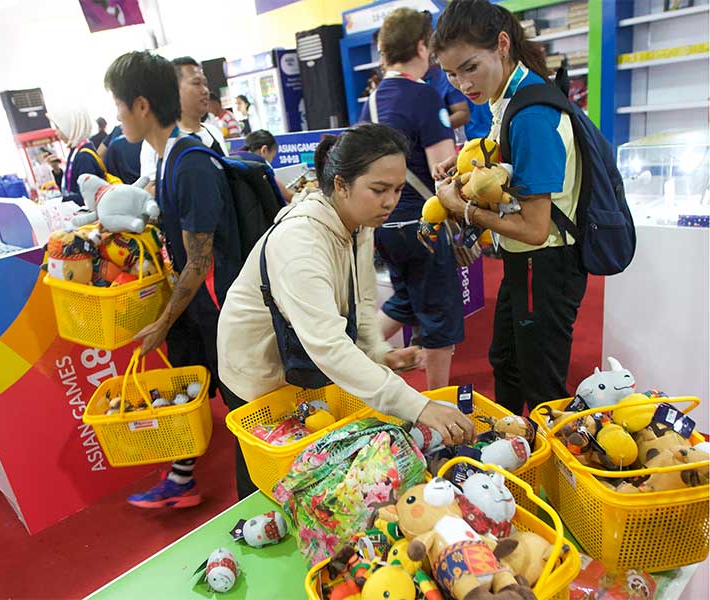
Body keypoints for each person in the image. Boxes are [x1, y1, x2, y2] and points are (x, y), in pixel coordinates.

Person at [217, 124, 475, 498]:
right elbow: (329, 346)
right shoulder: (300, 242)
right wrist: (417, 406)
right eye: (379, 189)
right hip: (256, 370)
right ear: (341, 185)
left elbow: (362, 302)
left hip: (300, 363)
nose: (390, 202)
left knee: (311, 472)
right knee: (270, 479)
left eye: (398, 189)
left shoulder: (357, 223)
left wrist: (378, 352)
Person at [431, 0, 586, 415]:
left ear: (502, 44)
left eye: (469, 67)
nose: (463, 84)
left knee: (542, 386)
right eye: (450, 73)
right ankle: (514, 450)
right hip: (526, 262)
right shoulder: (509, 95)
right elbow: (512, 167)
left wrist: (463, 210)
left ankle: (548, 474)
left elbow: (535, 228)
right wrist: (470, 157)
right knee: (507, 362)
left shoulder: (531, 113)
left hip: (546, 261)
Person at [104, 50, 243, 509]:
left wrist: (162, 322)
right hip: (198, 307)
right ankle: (183, 477)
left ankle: (264, 492)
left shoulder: (190, 164)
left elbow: (200, 262)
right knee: (195, 381)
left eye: (119, 104)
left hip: (222, 307)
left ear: (141, 105)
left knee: (243, 403)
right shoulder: (165, 160)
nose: (117, 115)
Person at [359, 7, 463, 392]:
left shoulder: (369, 103)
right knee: (439, 316)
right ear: (423, 46)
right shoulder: (423, 97)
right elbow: (443, 172)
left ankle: (361, 355)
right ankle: (436, 404)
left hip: (382, 226)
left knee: (404, 297)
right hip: (423, 224)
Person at [139, 57, 228, 182]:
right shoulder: (157, 142)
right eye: (197, 83)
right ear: (174, 90)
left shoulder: (213, 132)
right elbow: (153, 190)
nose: (205, 91)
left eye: (205, 84)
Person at [46, 108, 105, 206]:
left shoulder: (83, 157)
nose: (56, 133)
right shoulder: (76, 151)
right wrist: (57, 170)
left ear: (70, 127)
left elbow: (89, 197)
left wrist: (59, 200)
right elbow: (71, 188)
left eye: (58, 128)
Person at [230, 129, 293, 202]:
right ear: (264, 150)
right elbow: (288, 196)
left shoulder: (233, 158)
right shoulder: (259, 164)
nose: (271, 161)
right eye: (272, 157)